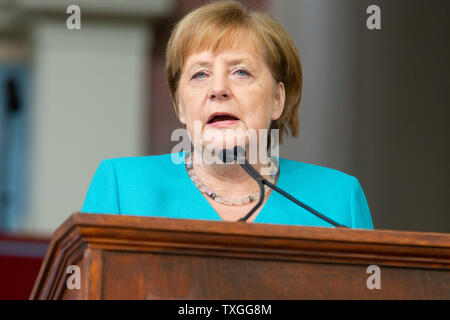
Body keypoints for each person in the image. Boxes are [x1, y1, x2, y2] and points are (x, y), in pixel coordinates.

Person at [81, 1, 374, 229]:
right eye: (200, 74)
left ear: (277, 98)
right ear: (180, 106)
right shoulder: (123, 189)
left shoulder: (336, 200)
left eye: (241, 72)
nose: (218, 88)